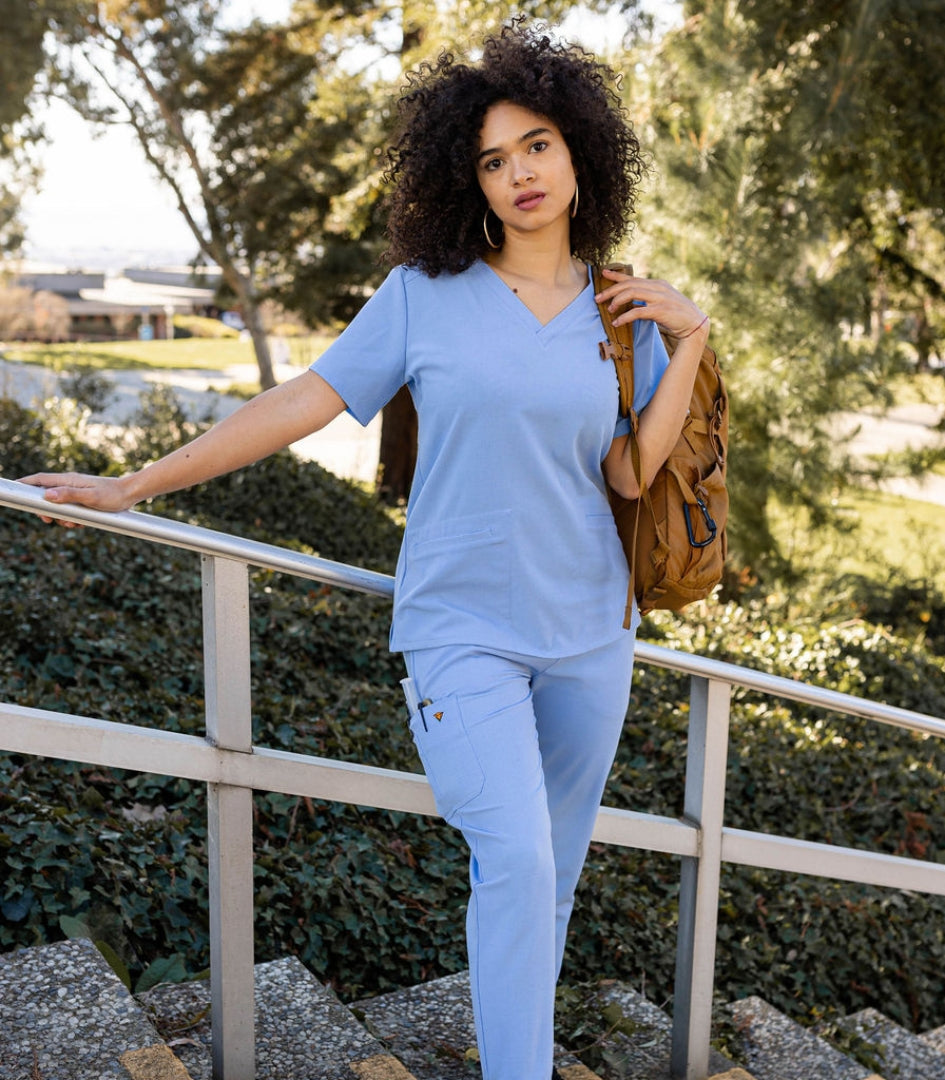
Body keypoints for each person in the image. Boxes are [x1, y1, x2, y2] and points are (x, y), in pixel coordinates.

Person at [21, 23, 710, 1080]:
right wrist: (135, 482)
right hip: (463, 633)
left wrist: (690, 341)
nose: (519, 173)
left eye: (536, 146)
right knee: (517, 859)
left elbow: (627, 474)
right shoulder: (421, 296)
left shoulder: (627, 314)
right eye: (491, 159)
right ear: (464, 179)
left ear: (580, 153)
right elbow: (302, 401)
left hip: (592, 637)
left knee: (548, 878)